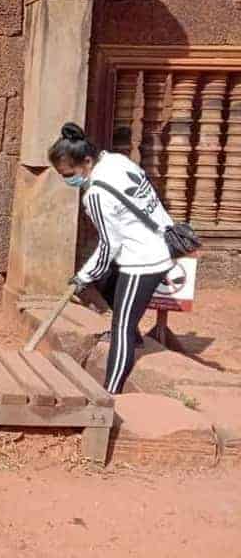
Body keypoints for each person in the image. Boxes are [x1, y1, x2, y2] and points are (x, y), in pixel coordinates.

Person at [49, 122, 174, 394]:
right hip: (157, 243)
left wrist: (82, 278)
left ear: (87, 161)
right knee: (107, 286)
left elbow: (109, 245)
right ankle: (136, 336)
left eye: (69, 174)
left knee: (121, 328)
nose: (68, 180)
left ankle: (109, 392)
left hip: (143, 258)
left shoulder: (95, 194)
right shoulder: (118, 161)